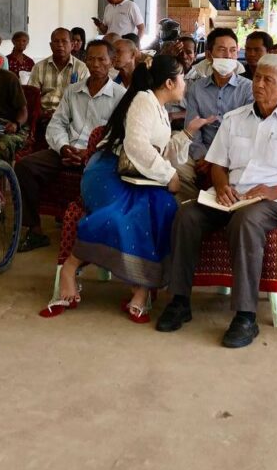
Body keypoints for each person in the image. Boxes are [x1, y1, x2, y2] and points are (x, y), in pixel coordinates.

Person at [158, 54, 277, 348]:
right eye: (257, 77)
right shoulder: (235, 119)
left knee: (246, 222)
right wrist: (221, 186)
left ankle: (245, 315)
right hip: (230, 195)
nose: (258, 84)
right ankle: (180, 300)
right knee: (186, 215)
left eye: (268, 80)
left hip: (271, 201)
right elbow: (218, 165)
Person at [43, 55, 213, 322]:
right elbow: (136, 148)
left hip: (139, 176)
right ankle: (70, 267)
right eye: (183, 79)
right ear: (169, 83)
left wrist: (188, 134)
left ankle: (142, 287)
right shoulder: (143, 101)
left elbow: (160, 152)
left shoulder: (160, 109)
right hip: (108, 171)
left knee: (165, 207)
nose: (186, 85)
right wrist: (169, 175)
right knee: (118, 214)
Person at [14, 41, 124, 252]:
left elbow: (117, 136)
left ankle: (92, 233)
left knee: (102, 174)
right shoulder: (73, 91)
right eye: (91, 58)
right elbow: (57, 124)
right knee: (24, 166)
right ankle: (34, 230)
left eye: (102, 59)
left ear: (112, 62)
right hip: (66, 150)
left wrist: (89, 152)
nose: (96, 64)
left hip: (97, 154)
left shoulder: (120, 96)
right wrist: (64, 147)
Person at [174, 28, 250, 202]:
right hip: (203, 153)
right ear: (209, 55)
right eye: (222, 50)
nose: (228, 56)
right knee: (175, 168)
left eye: (233, 50)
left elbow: (245, 132)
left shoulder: (248, 89)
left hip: (234, 155)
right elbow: (192, 129)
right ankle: (196, 206)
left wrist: (217, 160)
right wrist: (204, 157)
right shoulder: (196, 88)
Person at [29, 27, 89, 116]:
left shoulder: (81, 68)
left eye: (64, 41)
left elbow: (85, 98)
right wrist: (41, 113)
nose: (60, 45)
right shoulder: (39, 67)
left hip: (70, 116)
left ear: (72, 45)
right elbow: (32, 96)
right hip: (43, 115)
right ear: (50, 45)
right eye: (56, 41)